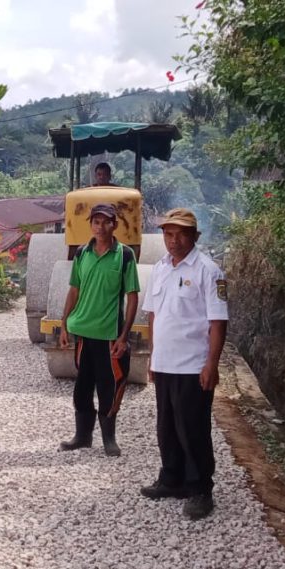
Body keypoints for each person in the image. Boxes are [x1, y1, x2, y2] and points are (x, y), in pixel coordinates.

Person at [138, 208, 228, 521]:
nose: (173, 241)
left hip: (193, 365)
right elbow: (153, 315)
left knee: (193, 429)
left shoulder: (209, 271)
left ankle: (201, 488)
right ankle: (171, 479)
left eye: (180, 234)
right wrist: (152, 356)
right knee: (166, 427)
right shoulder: (160, 269)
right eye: (168, 233)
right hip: (165, 363)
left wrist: (211, 364)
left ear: (195, 236)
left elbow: (218, 322)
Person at [58, 203, 139, 457]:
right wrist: (63, 324)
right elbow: (74, 290)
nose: (100, 227)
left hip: (109, 337)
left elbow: (132, 296)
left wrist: (124, 336)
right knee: (82, 387)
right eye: (96, 221)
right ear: (90, 224)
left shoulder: (124, 255)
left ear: (114, 224)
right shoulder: (82, 253)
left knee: (110, 387)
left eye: (106, 222)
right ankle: (82, 437)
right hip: (83, 333)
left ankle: (109, 438)